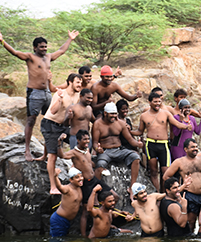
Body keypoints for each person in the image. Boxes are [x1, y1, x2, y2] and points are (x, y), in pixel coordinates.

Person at [0, 30, 79, 161]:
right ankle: (27, 150)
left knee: (51, 119)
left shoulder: (48, 57)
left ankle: (47, 151)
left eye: (45, 46)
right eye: (41, 47)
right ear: (35, 47)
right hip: (34, 92)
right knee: (31, 120)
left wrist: (70, 39)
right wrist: (2, 41)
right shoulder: (30, 57)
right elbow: (14, 52)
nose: (44, 49)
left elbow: (61, 51)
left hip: (47, 92)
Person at [57, 130, 118, 236]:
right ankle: (84, 235)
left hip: (94, 180)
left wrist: (99, 154)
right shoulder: (74, 152)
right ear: (78, 140)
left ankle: (107, 223)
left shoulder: (87, 151)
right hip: (85, 183)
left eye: (88, 139)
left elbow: (89, 164)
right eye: (84, 139)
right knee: (85, 211)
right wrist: (59, 143)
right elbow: (62, 155)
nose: (87, 141)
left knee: (115, 196)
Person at [131, 92, 191, 191]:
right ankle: (157, 193)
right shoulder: (144, 116)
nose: (158, 103)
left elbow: (177, 124)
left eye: (159, 101)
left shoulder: (166, 113)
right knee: (153, 171)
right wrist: (129, 131)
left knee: (166, 172)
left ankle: (166, 192)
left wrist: (186, 126)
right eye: (155, 102)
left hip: (163, 145)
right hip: (150, 144)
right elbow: (140, 131)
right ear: (149, 102)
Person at [40, 73, 83, 194]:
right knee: (53, 155)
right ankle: (53, 187)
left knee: (79, 140)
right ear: (70, 82)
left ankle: (74, 169)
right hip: (50, 124)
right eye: (77, 82)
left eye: (81, 82)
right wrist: (59, 100)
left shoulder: (77, 95)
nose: (80, 84)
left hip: (63, 126)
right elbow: (53, 111)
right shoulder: (61, 94)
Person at [92, 102, 143, 200]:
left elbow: (130, 140)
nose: (114, 116)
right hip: (105, 151)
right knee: (99, 166)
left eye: (115, 114)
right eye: (112, 114)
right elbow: (95, 142)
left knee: (136, 157)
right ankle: (97, 192)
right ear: (105, 113)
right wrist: (97, 149)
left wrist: (138, 144)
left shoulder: (120, 123)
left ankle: (132, 187)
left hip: (119, 150)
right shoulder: (97, 124)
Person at [49, 167, 83, 237]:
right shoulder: (68, 189)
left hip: (67, 221)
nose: (81, 179)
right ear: (71, 180)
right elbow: (60, 187)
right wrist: (55, 176)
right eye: (77, 177)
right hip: (59, 219)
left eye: (81, 176)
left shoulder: (79, 188)